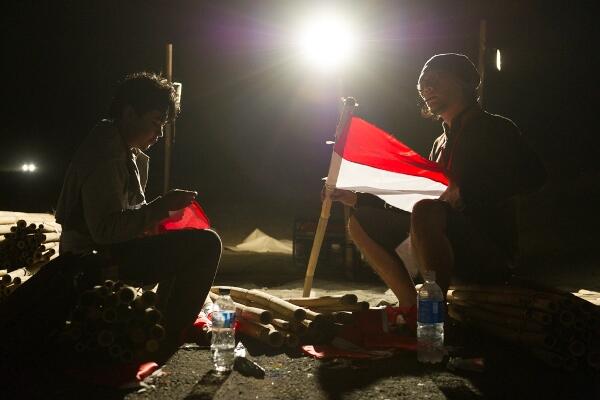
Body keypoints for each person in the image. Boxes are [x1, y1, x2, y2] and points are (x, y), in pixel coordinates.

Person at [330, 53, 546, 310]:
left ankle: (433, 312)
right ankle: (411, 305)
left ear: (465, 81)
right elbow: (416, 201)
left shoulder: (496, 129)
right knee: (360, 220)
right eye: (422, 84)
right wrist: (356, 197)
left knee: (426, 210)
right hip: (435, 241)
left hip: (487, 251)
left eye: (435, 80)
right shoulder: (439, 143)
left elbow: (534, 176)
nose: (426, 88)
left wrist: (466, 193)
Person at [55, 72, 221, 359]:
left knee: (188, 239)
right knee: (208, 245)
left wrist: (160, 220)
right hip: (89, 263)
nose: (158, 134)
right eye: (155, 123)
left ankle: (157, 321)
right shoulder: (106, 153)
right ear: (130, 113)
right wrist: (160, 207)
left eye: (162, 126)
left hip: (112, 251)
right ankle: (166, 333)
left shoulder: (127, 151)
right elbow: (105, 230)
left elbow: (131, 216)